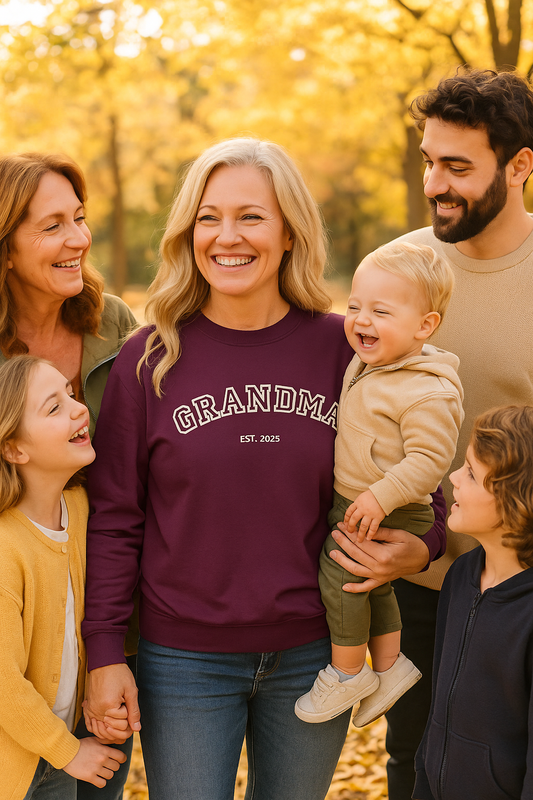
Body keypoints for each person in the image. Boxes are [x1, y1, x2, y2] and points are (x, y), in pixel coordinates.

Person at [81, 138, 447, 800]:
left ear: (288, 233)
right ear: (188, 232)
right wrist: (105, 651)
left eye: (251, 216)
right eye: (208, 217)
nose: (227, 236)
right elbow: (114, 519)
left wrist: (421, 546)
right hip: (183, 660)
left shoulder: (346, 350)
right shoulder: (148, 358)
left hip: (319, 656)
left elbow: (423, 473)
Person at [328, 68, 533, 800]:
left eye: (457, 167)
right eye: (427, 162)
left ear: (519, 166)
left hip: (520, 590)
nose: (434, 185)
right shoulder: (398, 270)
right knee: (415, 762)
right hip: (411, 579)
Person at [0, 152, 137, 799]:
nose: (78, 239)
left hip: (105, 609)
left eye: (79, 219)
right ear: (6, 249)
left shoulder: (114, 325)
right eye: (52, 226)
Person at [295, 242, 463, 726]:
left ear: (424, 326)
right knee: (375, 586)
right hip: (361, 499)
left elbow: (430, 461)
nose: (361, 320)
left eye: (381, 312)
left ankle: (348, 673)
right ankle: (390, 667)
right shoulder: (374, 361)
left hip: (392, 506)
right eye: (354, 306)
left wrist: (380, 496)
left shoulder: (426, 390)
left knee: (343, 575)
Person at [0, 355, 127, 800]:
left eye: (71, 394)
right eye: (54, 407)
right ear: (15, 449)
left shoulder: (81, 508)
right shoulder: (6, 549)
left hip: (63, 748)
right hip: (18, 767)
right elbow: (3, 683)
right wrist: (66, 751)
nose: (79, 409)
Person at [414, 405, 533, 800]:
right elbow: (437, 710)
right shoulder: (461, 575)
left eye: (470, 472)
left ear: (515, 500)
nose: (453, 477)